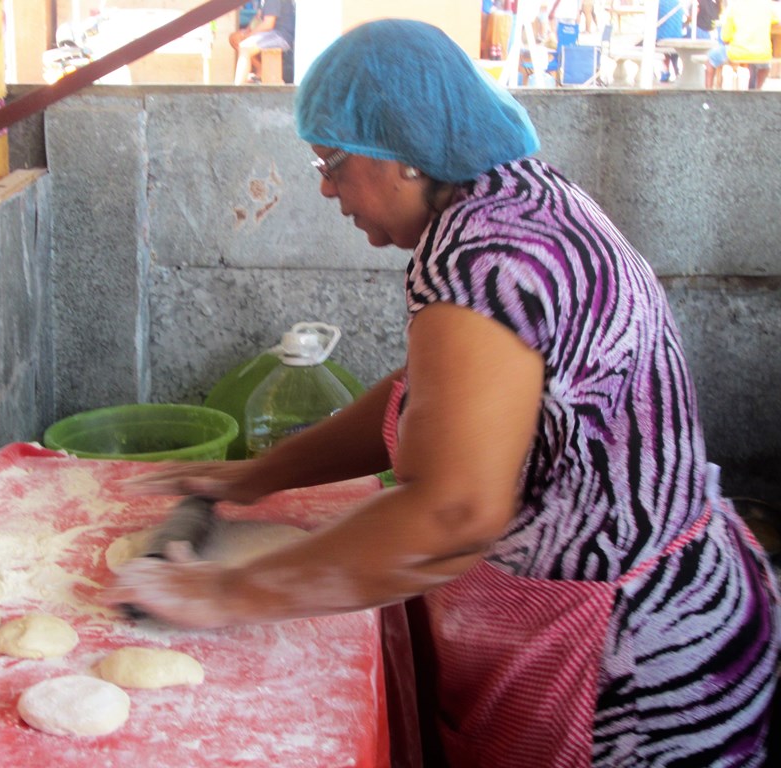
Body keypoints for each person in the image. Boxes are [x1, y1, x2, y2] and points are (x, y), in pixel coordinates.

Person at [104, 19, 779, 766]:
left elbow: (452, 514)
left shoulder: (486, 254)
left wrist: (223, 593)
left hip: (636, 679)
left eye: (332, 161)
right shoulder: (518, 199)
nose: (326, 187)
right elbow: (429, 393)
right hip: (672, 611)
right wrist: (259, 475)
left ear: (403, 158)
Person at [705, 0, 781, 89]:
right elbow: (777, 24)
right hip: (762, 53)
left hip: (738, 52)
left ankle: (708, 92)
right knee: (765, 67)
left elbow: (725, 37)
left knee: (711, 59)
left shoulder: (734, 6)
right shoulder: (767, 5)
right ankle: (757, 90)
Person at [229, 0, 296, 85]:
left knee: (244, 47)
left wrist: (248, 35)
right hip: (269, 34)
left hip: (281, 36)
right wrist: (246, 31)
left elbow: (268, 24)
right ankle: (260, 70)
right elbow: (258, 18)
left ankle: (238, 86)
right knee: (235, 38)